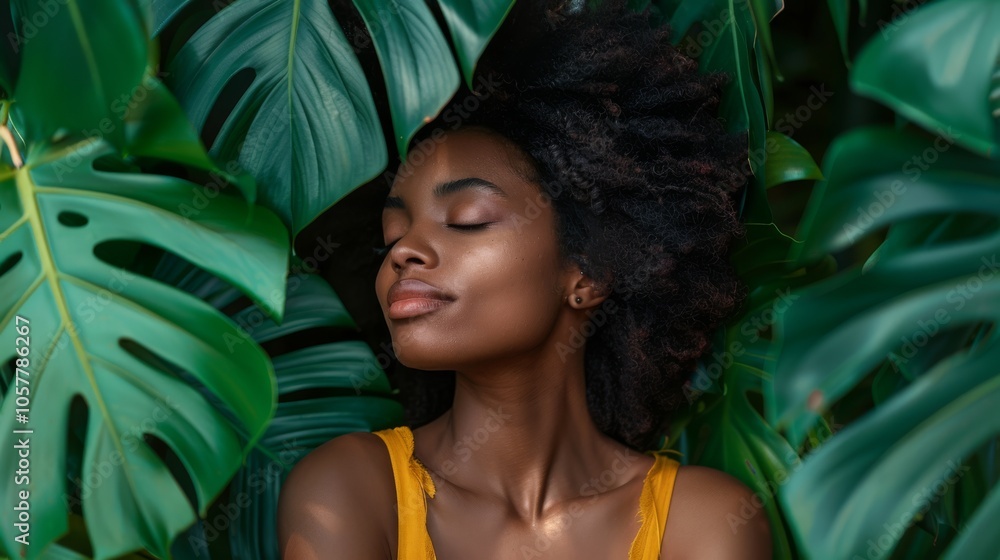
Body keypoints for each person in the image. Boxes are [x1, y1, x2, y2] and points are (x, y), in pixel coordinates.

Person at [277, 0, 771, 558]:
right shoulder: (353, 490)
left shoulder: (702, 522)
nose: (405, 252)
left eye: (467, 220)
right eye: (392, 235)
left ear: (589, 271)